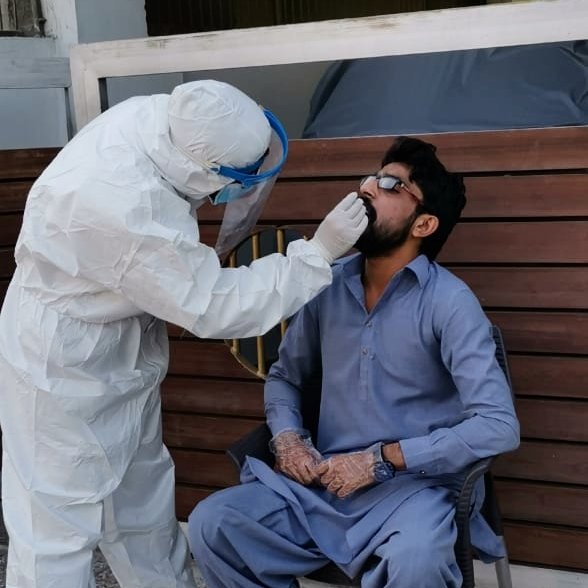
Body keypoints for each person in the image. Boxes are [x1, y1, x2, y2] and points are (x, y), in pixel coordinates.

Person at [0, 79, 368, 588]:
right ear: (204, 168)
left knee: (143, 506)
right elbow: (213, 305)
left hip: (115, 337)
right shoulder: (124, 206)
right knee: (57, 527)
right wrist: (316, 255)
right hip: (62, 364)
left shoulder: (165, 120)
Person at [189, 136, 520, 588]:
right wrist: (288, 439)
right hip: (322, 488)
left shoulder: (450, 302)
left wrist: (384, 458)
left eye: (391, 184)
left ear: (424, 224)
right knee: (215, 524)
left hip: (412, 492)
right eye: (370, 178)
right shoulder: (325, 285)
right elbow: (285, 377)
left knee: (417, 560)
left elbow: (498, 425)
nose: (367, 187)